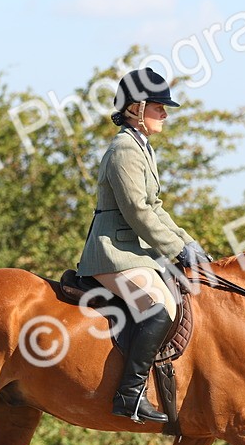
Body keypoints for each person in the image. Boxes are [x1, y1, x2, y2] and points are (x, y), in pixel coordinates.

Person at [77, 67, 211, 424]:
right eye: (158, 107)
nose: (164, 113)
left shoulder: (141, 147)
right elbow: (137, 210)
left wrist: (188, 243)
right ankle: (130, 394)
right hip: (113, 252)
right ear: (136, 108)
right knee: (159, 307)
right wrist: (175, 249)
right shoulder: (124, 149)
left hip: (134, 252)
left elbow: (156, 207)